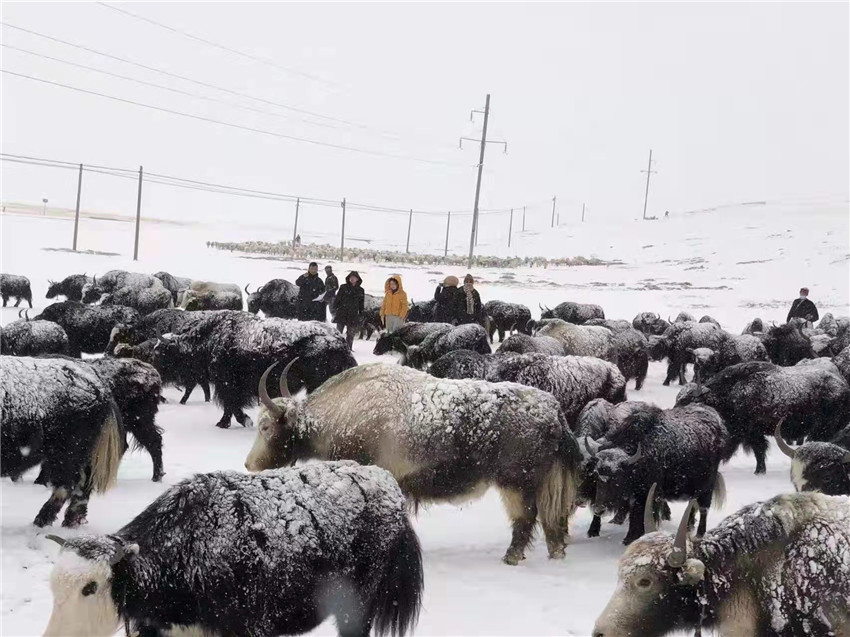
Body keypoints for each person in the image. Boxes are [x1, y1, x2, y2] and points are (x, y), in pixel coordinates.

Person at [334, 271, 364, 349]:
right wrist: (335, 308)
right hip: (342, 313)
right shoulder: (343, 287)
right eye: (351, 277)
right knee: (338, 333)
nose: (352, 278)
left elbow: (361, 303)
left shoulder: (360, 290)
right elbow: (337, 299)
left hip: (353, 315)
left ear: (357, 279)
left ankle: (348, 349)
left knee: (350, 334)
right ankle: (336, 348)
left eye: (354, 277)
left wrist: (361, 313)